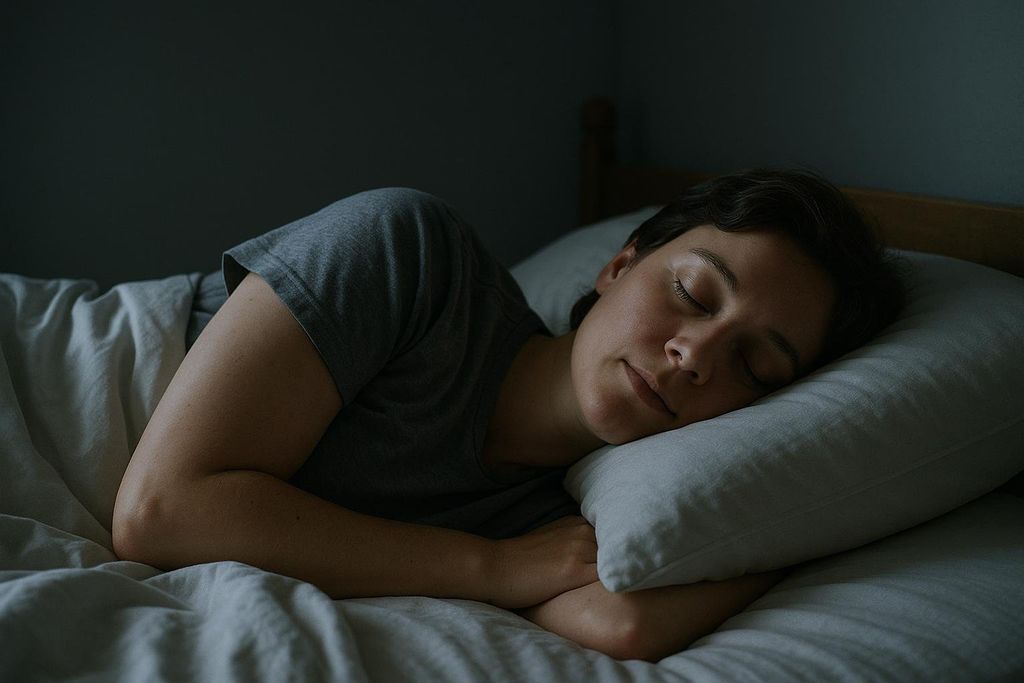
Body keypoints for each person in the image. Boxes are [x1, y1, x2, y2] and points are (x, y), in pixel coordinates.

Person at [112, 168, 902, 662]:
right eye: (693, 293)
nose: (696, 355)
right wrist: (487, 567)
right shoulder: (414, 256)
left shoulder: (566, 514)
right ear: (621, 263)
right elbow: (163, 508)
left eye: (754, 366)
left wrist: (814, 513)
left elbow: (619, 626)